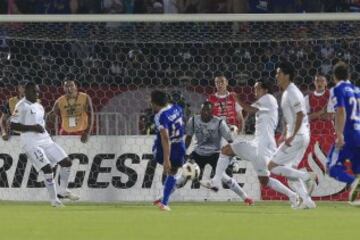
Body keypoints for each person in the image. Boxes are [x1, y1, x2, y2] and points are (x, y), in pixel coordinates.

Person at [201, 80, 300, 208]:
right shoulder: (266, 102)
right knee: (264, 180)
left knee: (226, 150)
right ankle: (293, 195)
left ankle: (215, 181)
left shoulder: (268, 98)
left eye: (257, 88)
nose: (255, 91)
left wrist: (236, 99)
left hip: (260, 146)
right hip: (265, 146)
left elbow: (249, 109)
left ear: (265, 90)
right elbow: (248, 111)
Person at [10, 82, 79, 207]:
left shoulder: (39, 106)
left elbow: (40, 124)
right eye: (33, 91)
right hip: (31, 143)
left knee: (66, 162)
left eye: (37, 91)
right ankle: (54, 200)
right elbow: (13, 125)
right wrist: (32, 128)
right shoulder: (21, 105)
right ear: (25, 92)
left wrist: (45, 127)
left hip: (46, 140)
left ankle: (62, 191)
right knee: (47, 169)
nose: (36, 94)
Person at [267, 62, 316, 209]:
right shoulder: (288, 91)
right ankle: (308, 202)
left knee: (271, 166)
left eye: (279, 73)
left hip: (298, 136)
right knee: (290, 174)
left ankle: (307, 177)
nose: (276, 76)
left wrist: (292, 135)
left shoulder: (292, 92)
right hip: (301, 135)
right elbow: (292, 116)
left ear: (287, 75)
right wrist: (285, 133)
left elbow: (300, 114)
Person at [185, 101, 254, 205]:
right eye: (203, 109)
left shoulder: (219, 122)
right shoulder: (194, 120)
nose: (205, 112)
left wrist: (234, 160)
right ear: (200, 110)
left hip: (215, 153)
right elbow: (188, 137)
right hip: (198, 152)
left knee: (224, 177)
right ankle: (163, 198)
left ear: (212, 111)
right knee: (184, 175)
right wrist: (183, 152)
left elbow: (231, 141)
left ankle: (246, 197)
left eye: (208, 110)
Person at [327, 61, 360, 203]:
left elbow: (341, 111)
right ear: (349, 75)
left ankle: (352, 183)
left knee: (331, 166)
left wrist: (339, 134)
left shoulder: (337, 89)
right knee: (358, 170)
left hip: (348, 134)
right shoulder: (357, 90)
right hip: (359, 133)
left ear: (334, 76)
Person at [151, 90, 186, 211]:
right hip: (180, 144)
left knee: (158, 149)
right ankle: (164, 203)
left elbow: (165, 138)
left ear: (155, 103)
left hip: (166, 146)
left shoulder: (160, 116)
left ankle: (164, 202)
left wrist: (166, 159)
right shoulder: (178, 108)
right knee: (173, 172)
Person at [48, 79, 94, 143]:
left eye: (71, 85)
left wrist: (87, 133)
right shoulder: (60, 101)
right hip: (65, 132)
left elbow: (91, 116)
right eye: (66, 86)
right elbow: (50, 117)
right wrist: (49, 132)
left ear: (76, 86)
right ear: (63, 88)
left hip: (82, 132)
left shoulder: (85, 97)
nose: (69, 88)